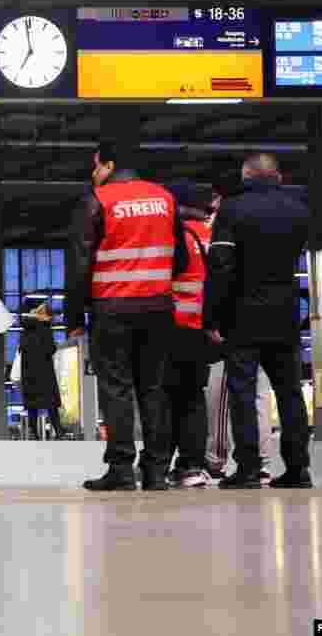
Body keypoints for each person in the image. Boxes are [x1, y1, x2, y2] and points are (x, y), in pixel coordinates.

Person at [67, 141, 188, 492]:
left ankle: (120, 469)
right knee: (154, 389)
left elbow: (79, 264)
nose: (93, 174)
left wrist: (74, 316)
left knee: (116, 388)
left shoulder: (98, 200)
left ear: (109, 165)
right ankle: (155, 472)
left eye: (95, 166)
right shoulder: (165, 199)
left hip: (113, 310)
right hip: (158, 308)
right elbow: (179, 259)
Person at [203, 153, 313, 489]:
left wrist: (212, 317)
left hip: (243, 314)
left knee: (243, 392)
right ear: (277, 176)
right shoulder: (298, 209)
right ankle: (298, 469)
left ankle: (249, 468)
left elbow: (221, 266)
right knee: (289, 393)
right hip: (284, 313)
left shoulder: (232, 210)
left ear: (246, 176)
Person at [204, 171, 274, 481]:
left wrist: (213, 318)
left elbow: (219, 275)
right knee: (260, 393)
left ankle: (216, 458)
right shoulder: (266, 224)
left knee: (222, 394)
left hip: (236, 320)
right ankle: (262, 462)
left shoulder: (223, 228)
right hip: (270, 317)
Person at [162, 181, 215, 488]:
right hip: (203, 331)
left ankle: (160, 463)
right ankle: (192, 465)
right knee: (194, 397)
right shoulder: (216, 235)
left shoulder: (177, 236)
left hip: (175, 327)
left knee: (166, 397)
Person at [19, 300, 66, 441]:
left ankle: (34, 433)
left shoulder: (25, 332)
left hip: (29, 373)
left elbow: (22, 350)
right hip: (45, 371)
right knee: (51, 403)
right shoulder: (45, 329)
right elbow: (50, 348)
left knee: (32, 403)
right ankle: (59, 432)